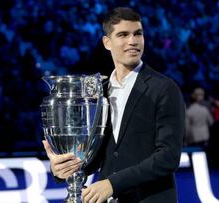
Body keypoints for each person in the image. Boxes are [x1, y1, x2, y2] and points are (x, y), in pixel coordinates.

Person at [43, 7, 185, 202]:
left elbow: (168, 158)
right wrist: (63, 168)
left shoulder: (164, 88)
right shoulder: (97, 92)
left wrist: (112, 184)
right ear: (106, 42)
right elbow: (96, 156)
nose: (133, 41)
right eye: (123, 35)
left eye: (138, 34)